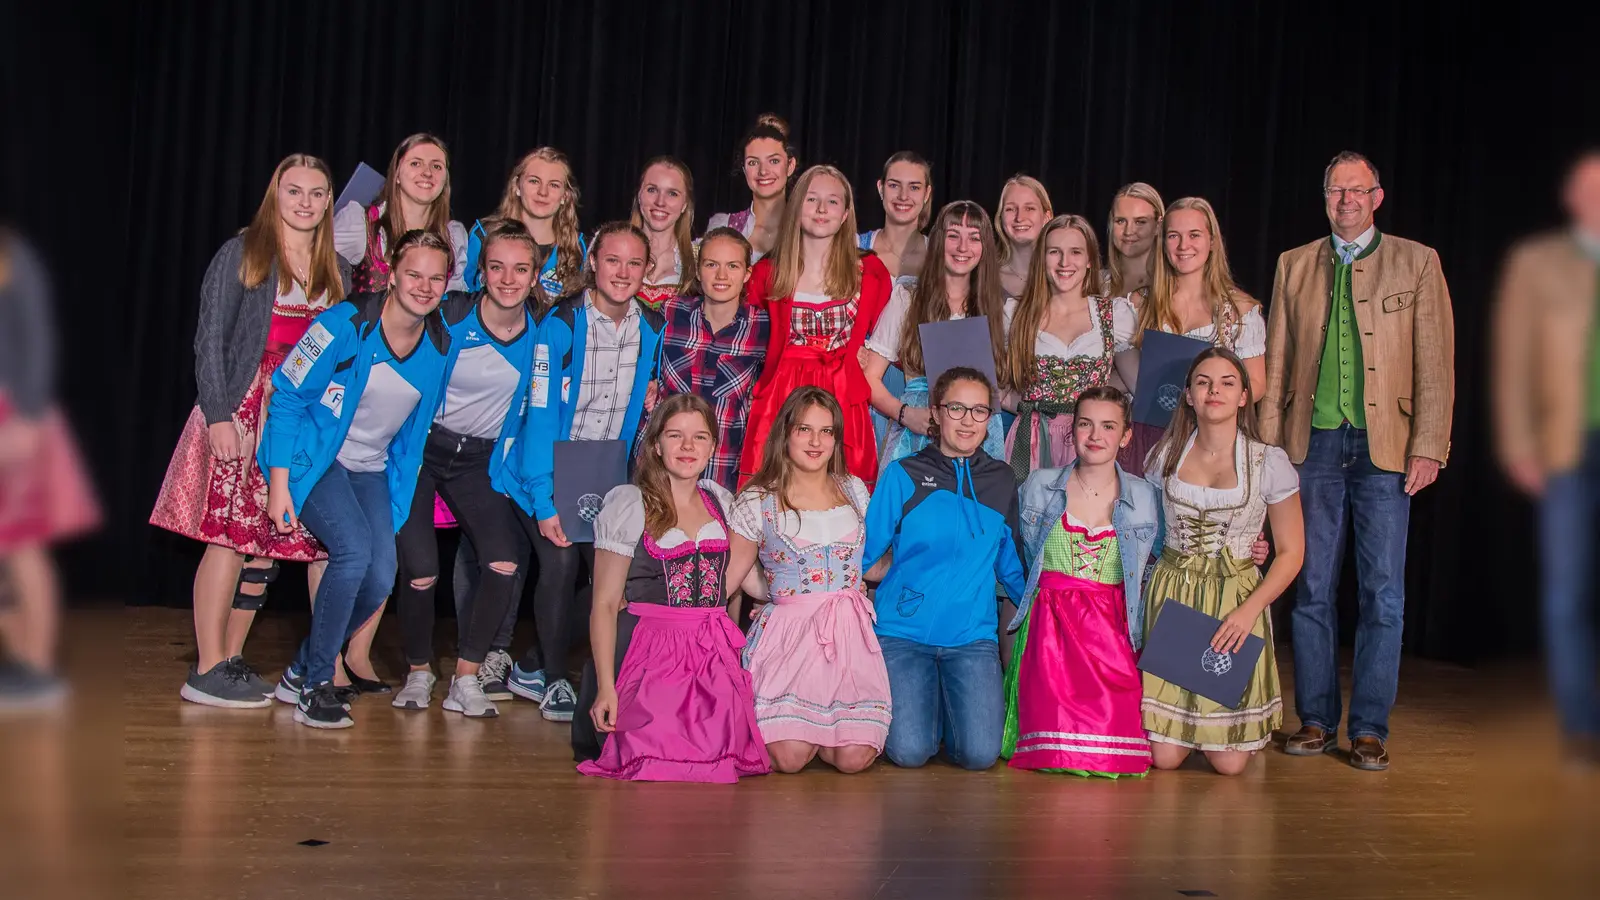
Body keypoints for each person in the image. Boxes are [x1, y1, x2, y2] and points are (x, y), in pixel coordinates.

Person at [1260, 151, 1455, 771]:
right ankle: (1315, 719)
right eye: (1334, 189)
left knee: (1384, 594)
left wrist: (1428, 444)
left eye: (1357, 189)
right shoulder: (1294, 265)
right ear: (1324, 197)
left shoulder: (1417, 262)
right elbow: (1279, 360)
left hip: (1386, 450)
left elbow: (1436, 363)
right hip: (1310, 445)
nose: (1345, 199)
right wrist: (1268, 449)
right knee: (1311, 586)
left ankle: (1369, 727)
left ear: (1377, 196)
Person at [150, 154, 349, 708]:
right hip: (242, 409)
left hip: (296, 416)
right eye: (294, 191)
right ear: (275, 195)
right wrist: (218, 414)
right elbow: (209, 338)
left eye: (317, 193)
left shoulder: (339, 269)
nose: (305, 203)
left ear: (329, 201)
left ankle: (231, 661)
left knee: (271, 546)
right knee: (228, 540)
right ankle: (208, 666)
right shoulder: (244, 252)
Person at [261, 230, 454, 728]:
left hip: (371, 470)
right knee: (351, 553)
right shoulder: (342, 324)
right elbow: (285, 397)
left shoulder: (438, 345)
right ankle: (317, 684)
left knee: (378, 576)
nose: (424, 286)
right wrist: (279, 483)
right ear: (392, 272)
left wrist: (397, 492)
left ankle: (304, 665)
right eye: (414, 274)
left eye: (437, 277)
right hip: (318, 462)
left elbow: (412, 434)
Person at [499, 222, 667, 723]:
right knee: (561, 563)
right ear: (594, 261)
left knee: (614, 578)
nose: (622, 272)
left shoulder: (651, 326)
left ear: (647, 271)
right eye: (612, 260)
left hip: (605, 473)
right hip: (544, 467)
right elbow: (540, 413)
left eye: (634, 263)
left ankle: (529, 666)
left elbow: (645, 399)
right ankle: (552, 679)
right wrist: (544, 498)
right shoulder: (562, 323)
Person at [391, 219, 545, 717]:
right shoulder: (452, 313)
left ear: (535, 274)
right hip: (422, 451)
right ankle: (417, 671)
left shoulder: (543, 330)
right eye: (497, 267)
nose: (508, 278)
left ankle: (466, 676)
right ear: (480, 271)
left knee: (503, 562)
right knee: (420, 570)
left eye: (520, 269)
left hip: (477, 462)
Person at [577, 394, 770, 782]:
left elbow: (746, 585)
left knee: (718, 755)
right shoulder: (631, 503)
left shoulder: (720, 500)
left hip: (710, 659)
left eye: (699, 437)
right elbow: (604, 603)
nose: (687, 447)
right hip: (650, 655)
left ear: (713, 446)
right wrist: (605, 688)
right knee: (656, 757)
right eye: (675, 436)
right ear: (655, 445)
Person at [1142, 348, 1305, 775]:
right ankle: (1185, 724)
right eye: (1203, 382)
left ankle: (1213, 723)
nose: (1215, 390)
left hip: (1235, 598)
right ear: (1188, 396)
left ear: (1244, 397)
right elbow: (1142, 527)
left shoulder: (1268, 462)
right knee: (1163, 759)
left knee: (1229, 764)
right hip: (1175, 591)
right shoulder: (1165, 456)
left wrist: (1249, 611)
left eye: (1227, 382)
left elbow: (1292, 552)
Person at [1492, 148, 1600, 763]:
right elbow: (1512, 361)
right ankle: (1581, 728)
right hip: (1566, 448)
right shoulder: (1537, 263)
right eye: (1588, 191)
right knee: (1567, 591)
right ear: (1570, 199)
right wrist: (1518, 445)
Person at [864, 367, 1025, 770]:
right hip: (902, 635)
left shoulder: (1002, 480)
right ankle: (927, 706)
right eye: (956, 408)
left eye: (979, 411)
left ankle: (947, 707)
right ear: (935, 413)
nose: (967, 421)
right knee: (908, 752)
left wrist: (1042, 614)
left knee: (980, 754)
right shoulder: (903, 475)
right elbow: (863, 556)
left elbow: (1011, 564)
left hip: (971, 639)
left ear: (991, 418)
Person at [727, 387, 892, 773]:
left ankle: (827, 731)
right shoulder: (758, 500)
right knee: (787, 757)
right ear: (786, 433)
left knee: (853, 760)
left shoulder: (854, 490)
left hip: (848, 636)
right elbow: (732, 577)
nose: (817, 441)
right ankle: (807, 730)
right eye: (805, 429)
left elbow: (870, 565)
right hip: (788, 637)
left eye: (827, 431)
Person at [1004, 385, 1159, 777]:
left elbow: (1173, 556)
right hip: (1048, 633)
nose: (1095, 436)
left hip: (1112, 635)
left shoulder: (1144, 495)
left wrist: (1255, 547)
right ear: (1071, 431)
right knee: (1053, 751)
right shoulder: (1039, 485)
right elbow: (1011, 549)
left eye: (1108, 426)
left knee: (1114, 747)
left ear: (1125, 436)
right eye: (1086, 424)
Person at [738, 165, 894, 489]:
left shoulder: (870, 272)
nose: (822, 210)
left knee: (843, 497)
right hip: (781, 397)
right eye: (812, 199)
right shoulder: (769, 272)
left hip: (843, 399)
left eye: (832, 201)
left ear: (846, 213)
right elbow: (747, 337)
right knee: (773, 496)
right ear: (796, 208)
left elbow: (889, 338)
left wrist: (863, 349)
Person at [0, 228, 98, 709]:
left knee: (21, 544)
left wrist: (30, 417)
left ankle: (37, 669)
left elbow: (38, 336)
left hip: (13, 417)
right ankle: (20, 664)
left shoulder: (13, 255)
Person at [1124, 197, 1264, 476]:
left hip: (1211, 441)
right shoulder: (1138, 304)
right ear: (1162, 242)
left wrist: (1208, 401)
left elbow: (1257, 384)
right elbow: (1132, 379)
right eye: (1173, 236)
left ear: (1212, 241)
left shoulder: (1239, 311)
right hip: (1148, 437)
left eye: (1194, 235)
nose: (1183, 245)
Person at [865, 200, 1009, 469]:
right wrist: (905, 415)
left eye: (973, 238)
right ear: (938, 241)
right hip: (920, 433)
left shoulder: (999, 308)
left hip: (979, 437)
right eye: (953, 236)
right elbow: (869, 377)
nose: (962, 247)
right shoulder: (909, 297)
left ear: (985, 246)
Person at [1002, 214, 1137, 481]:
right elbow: (994, 383)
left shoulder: (1112, 314)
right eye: (1055, 252)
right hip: (1033, 439)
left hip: (1091, 437)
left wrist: (1094, 395)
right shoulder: (1017, 313)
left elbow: (1137, 383)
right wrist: (1030, 406)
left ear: (1089, 260)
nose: (1065, 262)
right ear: (1042, 258)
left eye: (1075, 252)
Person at [657, 227, 769, 491]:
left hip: (724, 466)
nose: (721, 275)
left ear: (747, 274)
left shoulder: (762, 326)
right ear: (698, 270)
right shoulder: (670, 314)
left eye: (732, 266)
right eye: (711, 265)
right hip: (663, 467)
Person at [463, 147, 588, 299]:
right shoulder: (484, 234)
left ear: (565, 196)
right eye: (534, 181)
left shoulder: (578, 247)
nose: (543, 192)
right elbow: (463, 298)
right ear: (517, 186)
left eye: (554, 185)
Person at [706, 114, 796, 263]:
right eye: (753, 162)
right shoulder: (724, 227)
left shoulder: (806, 230)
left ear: (790, 166)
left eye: (774, 161)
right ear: (744, 169)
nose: (763, 171)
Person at [630, 156, 695, 311]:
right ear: (639, 195)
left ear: (685, 204)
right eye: (652, 190)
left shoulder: (698, 260)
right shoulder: (609, 246)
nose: (660, 202)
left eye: (672, 193)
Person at [1101, 182, 1166, 306]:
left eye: (1140, 222)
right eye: (1120, 221)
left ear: (1158, 225)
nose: (1128, 231)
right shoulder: (1094, 283)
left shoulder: (1173, 285)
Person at [995, 175, 1053, 300]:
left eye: (1029, 208)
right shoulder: (985, 278)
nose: (1019, 217)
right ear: (1000, 218)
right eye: (1010, 209)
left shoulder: (1064, 274)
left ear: (1046, 218)